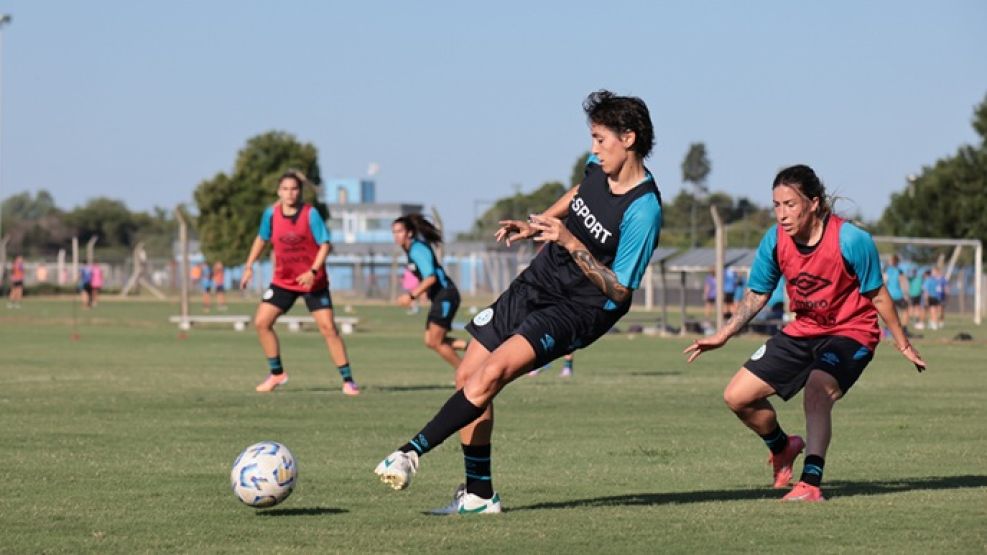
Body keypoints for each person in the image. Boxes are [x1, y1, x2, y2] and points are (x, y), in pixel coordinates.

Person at [374, 90, 663, 514]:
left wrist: (568, 239)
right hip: (541, 279)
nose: (594, 147)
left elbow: (620, 290)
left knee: (490, 376)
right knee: (467, 379)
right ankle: (478, 495)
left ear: (629, 138)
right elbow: (579, 192)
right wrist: (539, 225)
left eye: (601, 139)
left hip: (580, 308)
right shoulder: (598, 169)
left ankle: (411, 451)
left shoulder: (643, 209)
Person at [684, 164, 926, 502]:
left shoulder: (851, 240)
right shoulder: (775, 240)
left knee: (816, 390)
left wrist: (903, 343)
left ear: (813, 203)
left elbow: (879, 295)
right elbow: (757, 293)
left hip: (851, 332)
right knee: (737, 396)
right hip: (804, 330)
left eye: (790, 205)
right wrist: (723, 333)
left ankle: (810, 483)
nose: (782, 214)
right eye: (776, 205)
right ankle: (783, 448)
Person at [239, 170, 360, 396]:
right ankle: (276, 373)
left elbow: (325, 244)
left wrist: (313, 270)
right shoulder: (271, 215)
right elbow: (261, 238)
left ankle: (348, 381)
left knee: (328, 329)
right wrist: (249, 266)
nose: (290, 193)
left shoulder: (310, 214)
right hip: (283, 281)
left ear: (300, 192)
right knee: (262, 322)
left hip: (313, 282)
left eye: (294, 189)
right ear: (279, 192)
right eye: (285, 189)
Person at [392, 214, 467, 369]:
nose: (396, 236)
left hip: (446, 295)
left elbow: (431, 278)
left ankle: (466, 375)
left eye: (399, 231)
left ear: (409, 233)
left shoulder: (416, 249)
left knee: (435, 341)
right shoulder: (411, 250)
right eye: (394, 232)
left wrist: (411, 296)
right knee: (430, 341)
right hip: (440, 296)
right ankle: (480, 349)